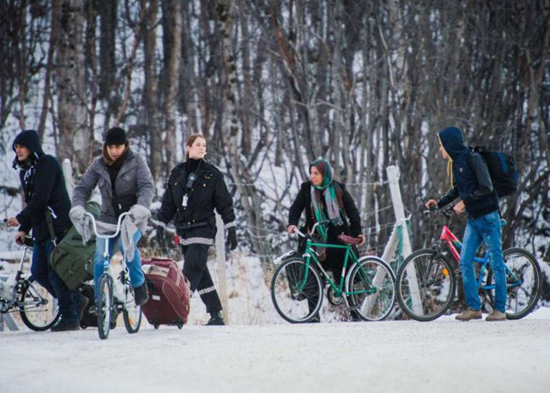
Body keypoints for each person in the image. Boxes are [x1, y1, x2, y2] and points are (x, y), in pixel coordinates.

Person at [425, 126, 507, 322]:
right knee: (464, 261)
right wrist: (439, 203)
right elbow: (457, 190)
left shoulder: (474, 159)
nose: (440, 150)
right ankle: (474, 308)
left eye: (441, 145)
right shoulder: (456, 164)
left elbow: (486, 187)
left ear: (450, 144)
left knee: (496, 263)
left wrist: (465, 202)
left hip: (488, 217)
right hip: (473, 220)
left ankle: (500, 310)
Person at [156, 133, 237, 326]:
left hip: (204, 228)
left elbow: (224, 203)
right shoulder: (177, 173)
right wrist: (160, 224)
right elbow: (169, 203)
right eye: (198, 145)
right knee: (200, 273)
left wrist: (230, 227)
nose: (202, 148)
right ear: (188, 147)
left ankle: (177, 307)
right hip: (184, 229)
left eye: (204, 145)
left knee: (192, 266)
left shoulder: (213, 174)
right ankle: (216, 314)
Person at [6, 130, 81, 331]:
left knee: (56, 272)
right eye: (15, 148)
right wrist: (24, 229)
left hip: (57, 228)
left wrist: (20, 219)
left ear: (31, 147)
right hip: (41, 229)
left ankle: (70, 316)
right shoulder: (26, 171)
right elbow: (33, 203)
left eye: (21, 146)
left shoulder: (47, 164)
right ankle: (77, 303)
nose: (18, 151)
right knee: (38, 271)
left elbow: (41, 199)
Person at [70, 127, 154, 307]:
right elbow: (83, 188)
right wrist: (78, 207)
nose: (114, 151)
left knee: (126, 246)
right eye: (111, 147)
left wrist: (140, 207)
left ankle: (139, 284)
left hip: (132, 217)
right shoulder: (98, 165)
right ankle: (100, 303)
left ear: (125, 145)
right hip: (107, 219)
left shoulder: (137, 161)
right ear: (106, 147)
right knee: (100, 258)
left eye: (118, 147)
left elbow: (147, 187)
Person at [287, 158, 365, 322]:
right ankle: (313, 315)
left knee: (344, 275)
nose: (313, 176)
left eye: (316, 173)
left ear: (325, 174)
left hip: (337, 239)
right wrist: (292, 223)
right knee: (310, 273)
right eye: (311, 173)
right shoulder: (306, 189)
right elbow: (295, 208)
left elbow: (352, 212)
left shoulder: (338, 189)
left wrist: (357, 233)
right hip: (315, 238)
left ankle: (354, 313)